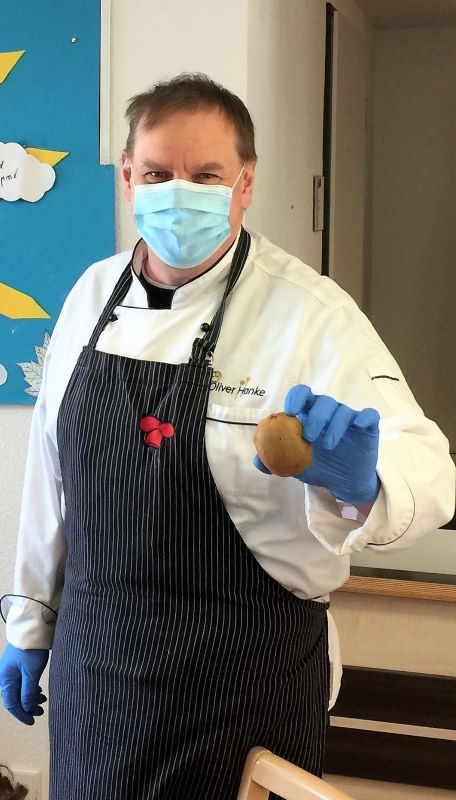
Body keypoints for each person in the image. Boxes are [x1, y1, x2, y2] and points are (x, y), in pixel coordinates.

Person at [0, 73, 454, 800]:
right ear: (127, 178)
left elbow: (429, 468)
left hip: (244, 686)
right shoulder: (90, 295)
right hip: (97, 675)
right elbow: (51, 475)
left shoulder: (309, 314)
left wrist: (364, 480)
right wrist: (29, 620)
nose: (179, 192)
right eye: (158, 173)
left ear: (245, 183)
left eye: (206, 175)